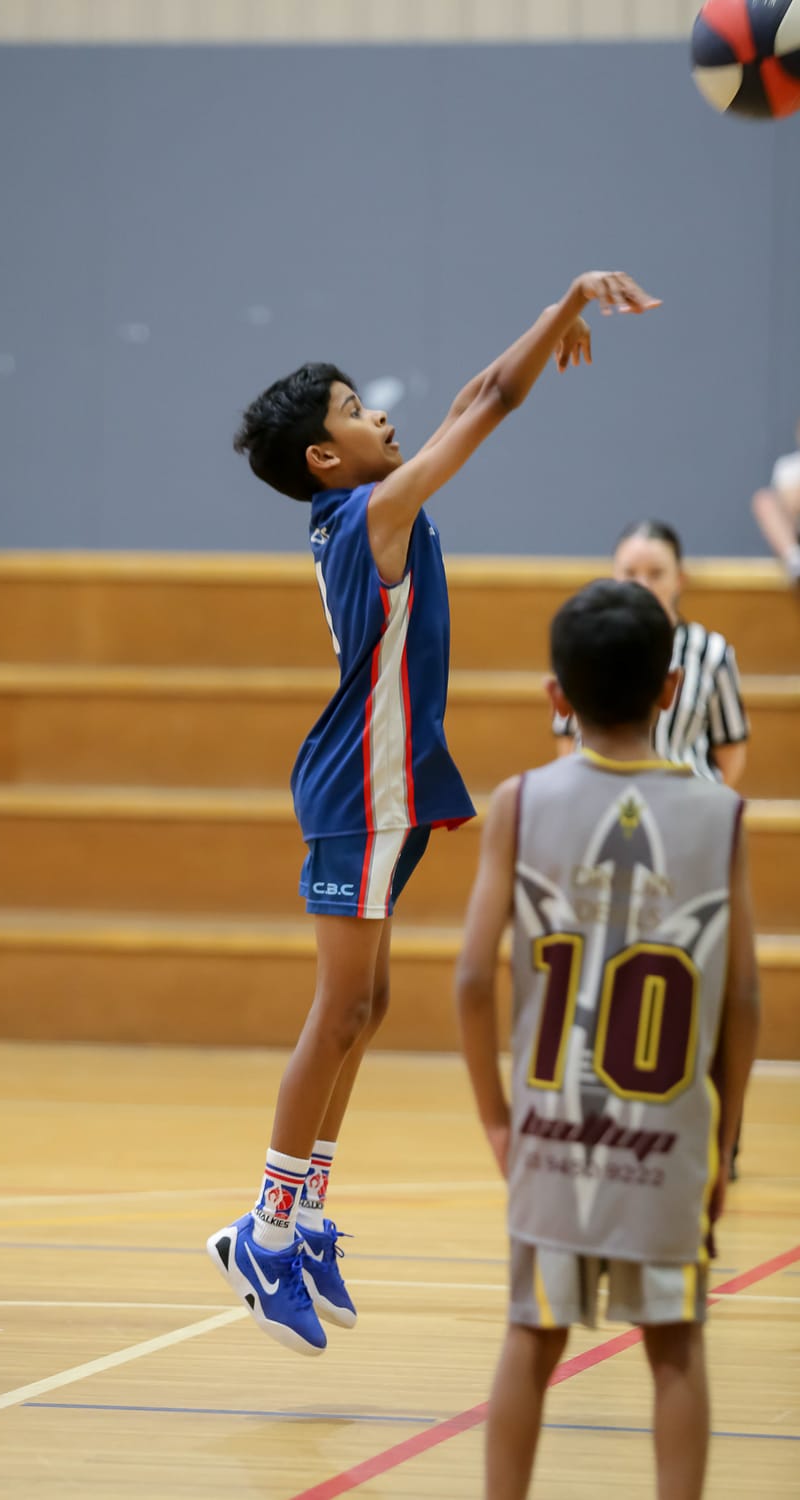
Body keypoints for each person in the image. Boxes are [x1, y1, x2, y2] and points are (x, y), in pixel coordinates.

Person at [206, 271, 661, 1356]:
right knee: (337, 1011)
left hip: (391, 790)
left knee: (365, 1008)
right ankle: (263, 1229)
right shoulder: (374, 512)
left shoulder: (369, 503)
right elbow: (491, 405)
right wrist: (564, 307)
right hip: (358, 792)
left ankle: (305, 1209)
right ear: (327, 457)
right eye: (358, 412)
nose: (384, 418)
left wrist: (551, 326)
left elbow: (469, 397)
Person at [456, 579, 760, 1500]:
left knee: (531, 1336)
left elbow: (473, 979)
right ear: (671, 690)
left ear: (557, 697)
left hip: (552, 1126)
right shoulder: (720, 814)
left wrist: (500, 1122)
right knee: (674, 1346)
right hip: (665, 1136)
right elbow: (742, 999)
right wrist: (725, 1141)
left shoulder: (517, 800)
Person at [553, 520, 749, 789]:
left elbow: (731, 750)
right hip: (597, 797)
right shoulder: (583, 641)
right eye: (630, 573)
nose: (642, 585)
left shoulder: (710, 652)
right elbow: (566, 739)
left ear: (679, 579)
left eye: (656, 573)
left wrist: (704, 805)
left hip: (684, 808)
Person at [751, 416, 800, 588]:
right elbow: (787, 504)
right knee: (764, 500)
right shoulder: (788, 466)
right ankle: (795, 561)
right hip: (795, 535)